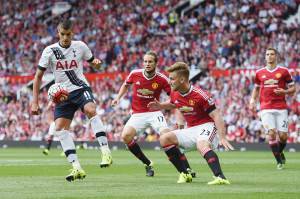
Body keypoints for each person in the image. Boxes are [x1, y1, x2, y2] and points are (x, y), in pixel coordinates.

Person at [31, 19, 112, 182]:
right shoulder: (50, 51)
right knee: (60, 129)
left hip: (81, 88)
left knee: (90, 109)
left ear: (72, 33)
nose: (66, 37)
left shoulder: (80, 46)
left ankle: (106, 152)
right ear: (58, 33)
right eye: (63, 34)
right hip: (62, 95)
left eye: (68, 34)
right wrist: (35, 101)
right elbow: (38, 77)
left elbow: (95, 64)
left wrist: (98, 65)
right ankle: (77, 168)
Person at [148, 62, 234, 184]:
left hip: (207, 126)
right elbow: (174, 103)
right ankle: (185, 173)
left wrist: (223, 137)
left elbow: (216, 115)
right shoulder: (174, 93)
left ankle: (220, 177)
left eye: (172, 79)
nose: (170, 82)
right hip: (191, 129)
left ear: (182, 79)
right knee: (164, 138)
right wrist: (161, 105)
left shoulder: (200, 95)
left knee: (202, 145)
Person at [111, 51, 195, 177]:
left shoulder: (162, 79)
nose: (147, 64)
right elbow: (125, 85)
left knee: (167, 137)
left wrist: (177, 117)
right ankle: (147, 163)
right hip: (138, 114)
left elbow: (174, 99)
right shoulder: (135, 74)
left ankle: (187, 168)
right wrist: (118, 98)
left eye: (150, 61)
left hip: (154, 112)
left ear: (156, 63)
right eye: (145, 61)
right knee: (126, 136)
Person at [249, 47, 296, 169]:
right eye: (267, 54)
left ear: (276, 56)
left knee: (283, 136)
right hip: (265, 107)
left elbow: (293, 89)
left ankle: (279, 152)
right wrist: (252, 101)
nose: (269, 56)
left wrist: (284, 91)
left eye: (272, 54)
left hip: (281, 107)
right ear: (265, 57)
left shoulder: (284, 71)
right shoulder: (259, 73)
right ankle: (279, 162)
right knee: (271, 133)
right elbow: (257, 88)